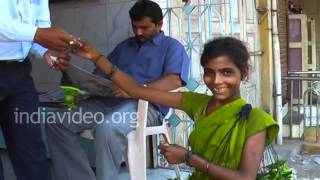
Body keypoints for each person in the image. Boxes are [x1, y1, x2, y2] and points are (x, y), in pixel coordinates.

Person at [72, 36, 279, 179]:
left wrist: (188, 157)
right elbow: (135, 90)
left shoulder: (256, 120)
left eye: (227, 72)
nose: (216, 81)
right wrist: (95, 56)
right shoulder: (196, 103)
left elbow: (245, 178)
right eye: (209, 72)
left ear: (244, 73)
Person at [45, 0, 190, 180]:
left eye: (144, 27)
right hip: (107, 101)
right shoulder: (124, 46)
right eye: (135, 26)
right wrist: (76, 78)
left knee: (107, 128)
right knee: (57, 121)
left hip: (145, 107)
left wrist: (136, 90)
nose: (138, 32)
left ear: (159, 24)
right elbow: (100, 75)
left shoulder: (172, 46)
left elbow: (174, 80)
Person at [0, 0, 78, 180]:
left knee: (31, 148)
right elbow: (38, 33)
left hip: (19, 75)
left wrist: (47, 51)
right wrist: (39, 34)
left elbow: (40, 30)